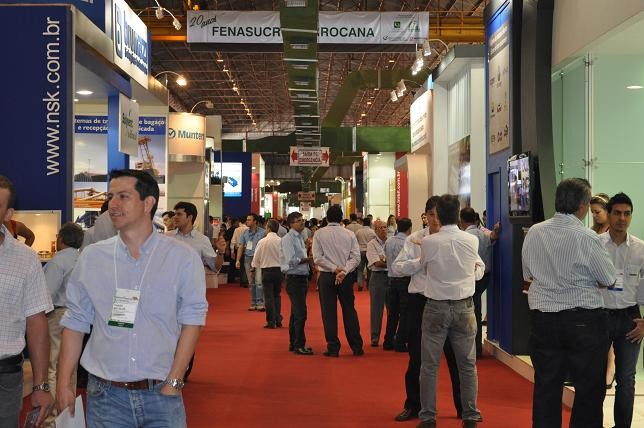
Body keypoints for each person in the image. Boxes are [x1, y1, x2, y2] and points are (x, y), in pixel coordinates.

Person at [57, 169, 208, 427]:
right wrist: (63, 384)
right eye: (111, 196)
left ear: (148, 203)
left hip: (161, 395)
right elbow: (75, 322)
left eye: (123, 196)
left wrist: (174, 381)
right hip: (105, 397)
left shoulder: (182, 258)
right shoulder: (92, 257)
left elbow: (192, 320)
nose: (112, 205)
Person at [522, 178, 616, 428]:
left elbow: (527, 274)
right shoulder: (588, 238)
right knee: (588, 390)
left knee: (546, 387)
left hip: (543, 320)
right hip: (584, 321)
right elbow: (608, 278)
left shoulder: (535, 232)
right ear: (583, 206)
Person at [418, 194, 484, 427]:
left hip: (435, 307)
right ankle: (470, 416)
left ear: (437, 215)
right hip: (464, 307)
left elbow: (424, 267)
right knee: (467, 366)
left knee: (429, 366)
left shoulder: (429, 242)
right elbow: (476, 268)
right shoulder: (471, 240)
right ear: (457, 214)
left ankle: (428, 417)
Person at [0, 175, 54, 427]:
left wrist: (41, 385)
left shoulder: (25, 259)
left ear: (8, 213)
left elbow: (36, 323)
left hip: (5, 378)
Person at [599, 193, 644, 428]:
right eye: (617, 213)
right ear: (609, 214)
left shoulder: (640, 249)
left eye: (627, 214)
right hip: (599, 316)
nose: (622, 218)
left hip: (630, 318)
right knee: (595, 378)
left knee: (626, 380)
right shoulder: (595, 245)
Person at [43, 222, 83, 424]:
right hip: (78, 318)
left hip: (57, 315)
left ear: (61, 239)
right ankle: (66, 416)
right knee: (70, 367)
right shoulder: (83, 259)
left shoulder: (58, 261)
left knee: (52, 366)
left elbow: (47, 294)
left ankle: (51, 418)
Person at [312, 204, 364, 357]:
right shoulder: (349, 234)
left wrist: (334, 269)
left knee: (328, 312)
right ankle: (357, 347)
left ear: (327, 218)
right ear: (341, 218)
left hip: (327, 276)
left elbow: (317, 258)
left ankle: (333, 347)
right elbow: (356, 258)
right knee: (349, 310)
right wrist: (344, 270)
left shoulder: (319, 234)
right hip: (345, 277)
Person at [459, 207, 500, 358]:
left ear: (461, 220)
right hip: (485, 277)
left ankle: (472, 349)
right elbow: (494, 236)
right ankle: (477, 348)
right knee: (476, 311)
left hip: (470, 279)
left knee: (469, 314)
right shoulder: (484, 233)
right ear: (476, 219)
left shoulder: (464, 237)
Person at [280, 212, 314, 355]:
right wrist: (308, 259)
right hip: (294, 278)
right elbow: (291, 260)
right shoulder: (288, 239)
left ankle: (294, 343)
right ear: (291, 224)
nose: (302, 223)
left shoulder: (300, 237)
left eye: (302, 220)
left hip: (301, 277)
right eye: (298, 221)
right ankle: (299, 344)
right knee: (300, 313)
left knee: (296, 313)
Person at [383, 217, 412, 352]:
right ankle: (400, 342)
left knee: (392, 312)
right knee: (405, 312)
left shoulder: (389, 241)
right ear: (409, 229)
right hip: (404, 280)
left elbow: (385, 256)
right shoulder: (408, 242)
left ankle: (388, 341)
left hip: (391, 279)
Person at [168, 201, 223, 272]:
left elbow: (215, 267)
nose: (174, 217)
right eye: (175, 214)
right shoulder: (167, 237)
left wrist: (221, 252)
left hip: (192, 278)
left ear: (190, 217)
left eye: (179, 214)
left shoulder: (202, 240)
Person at [252, 219, 283, 329]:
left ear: (268, 228)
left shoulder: (262, 241)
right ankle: (278, 319)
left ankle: (271, 321)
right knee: (277, 295)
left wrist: (254, 266)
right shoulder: (281, 241)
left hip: (267, 271)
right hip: (279, 271)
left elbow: (256, 258)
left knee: (268, 297)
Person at [236, 213, 267, 311]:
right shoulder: (245, 233)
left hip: (259, 259)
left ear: (255, 222)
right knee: (251, 282)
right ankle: (253, 303)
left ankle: (260, 303)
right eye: (247, 219)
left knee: (259, 282)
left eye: (249, 220)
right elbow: (241, 246)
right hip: (248, 259)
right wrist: (237, 260)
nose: (247, 221)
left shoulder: (263, 232)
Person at [366, 220, 389, 347]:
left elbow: (395, 260)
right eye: (380, 228)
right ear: (375, 230)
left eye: (385, 227)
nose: (383, 229)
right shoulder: (371, 244)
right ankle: (375, 338)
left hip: (391, 277)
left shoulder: (390, 242)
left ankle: (391, 337)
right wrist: (388, 261)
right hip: (377, 278)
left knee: (392, 309)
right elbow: (377, 263)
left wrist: (384, 260)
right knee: (376, 310)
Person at [355, 217, 376, 291]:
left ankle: (360, 284)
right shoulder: (372, 232)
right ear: (370, 223)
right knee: (369, 269)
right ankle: (369, 285)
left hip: (360, 251)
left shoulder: (358, 231)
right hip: (369, 251)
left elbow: (355, 241)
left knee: (360, 269)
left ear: (363, 223)